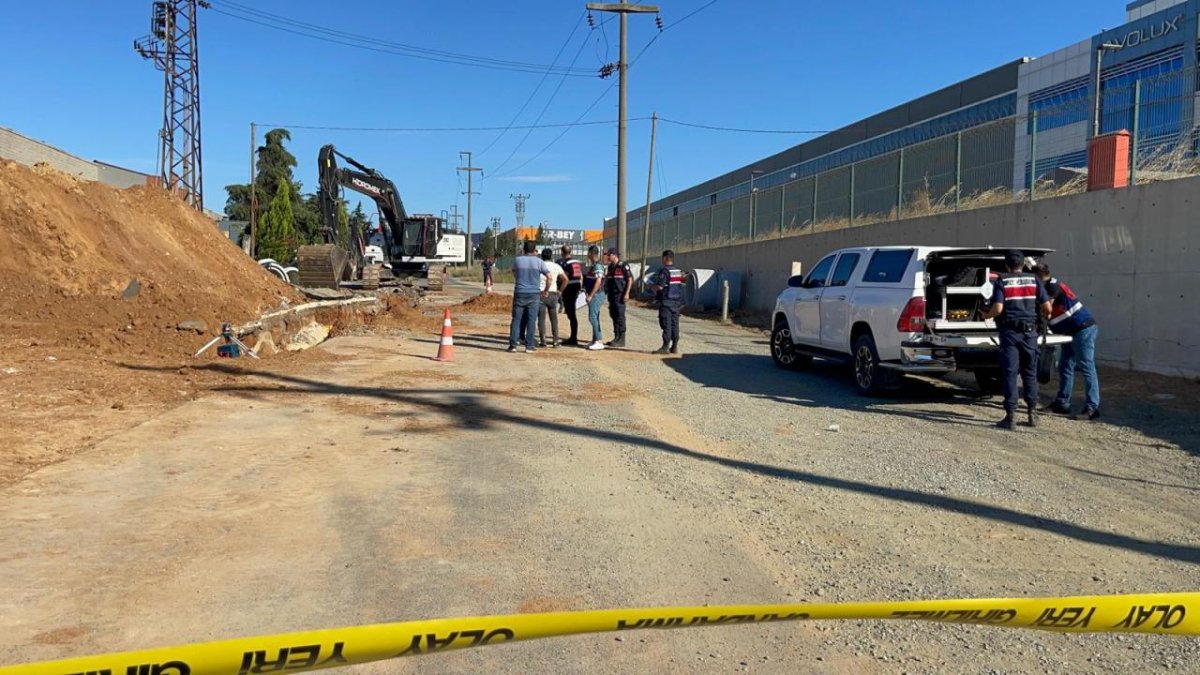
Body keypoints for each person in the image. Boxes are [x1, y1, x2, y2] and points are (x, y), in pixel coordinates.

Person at [981, 250, 1052, 430]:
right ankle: (1032, 414)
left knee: (1010, 373)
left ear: (1006, 265)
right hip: (1030, 333)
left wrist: (986, 315)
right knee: (1030, 372)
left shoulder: (1002, 280)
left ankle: (1010, 417)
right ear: (1023, 264)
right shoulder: (1034, 279)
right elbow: (1047, 307)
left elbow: (997, 308)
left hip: (1010, 333)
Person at [1035, 263, 1100, 420]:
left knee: (1086, 366)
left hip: (1082, 329)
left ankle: (1092, 407)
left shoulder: (1051, 287)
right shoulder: (1051, 285)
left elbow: (1046, 309)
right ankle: (1062, 403)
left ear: (1037, 277)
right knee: (1065, 366)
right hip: (1073, 331)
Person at [507, 241, 551, 353]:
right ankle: (529, 346)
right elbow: (549, 277)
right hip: (534, 293)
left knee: (516, 319)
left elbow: (514, 273)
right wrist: (546, 290)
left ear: (524, 249)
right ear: (534, 249)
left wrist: (520, 280)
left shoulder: (517, 260)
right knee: (532, 319)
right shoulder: (539, 262)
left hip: (520, 292)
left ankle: (513, 345)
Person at [647, 249, 685, 355]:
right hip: (676, 302)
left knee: (666, 323)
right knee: (675, 324)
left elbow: (659, 286)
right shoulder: (677, 271)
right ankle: (675, 346)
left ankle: (665, 347)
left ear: (664, 258)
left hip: (666, 301)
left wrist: (650, 285)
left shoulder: (664, 271)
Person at [537, 248, 568, 348]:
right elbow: (565, 279)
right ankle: (555, 341)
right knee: (553, 318)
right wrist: (560, 291)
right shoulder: (556, 266)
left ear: (542, 256)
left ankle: (543, 341)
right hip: (553, 293)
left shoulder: (538, 265)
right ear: (551, 256)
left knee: (541, 319)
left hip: (541, 293)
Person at [604, 248, 634, 348]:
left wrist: (627, 293)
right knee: (613, 315)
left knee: (620, 316)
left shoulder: (623, 265)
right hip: (612, 295)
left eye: (609, 255)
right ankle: (616, 337)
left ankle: (622, 339)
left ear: (615, 255)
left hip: (620, 294)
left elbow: (629, 279)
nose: (608, 257)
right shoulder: (610, 267)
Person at [558, 245, 585, 345]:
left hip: (568, 288)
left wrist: (560, 289)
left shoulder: (565, 263)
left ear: (562, 253)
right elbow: (581, 276)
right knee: (571, 313)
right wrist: (580, 288)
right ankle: (573, 337)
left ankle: (573, 338)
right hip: (576, 287)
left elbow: (564, 277)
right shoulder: (577, 262)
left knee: (571, 313)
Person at [583, 246, 608, 351]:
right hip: (594, 294)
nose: (587, 255)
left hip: (597, 294)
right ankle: (595, 340)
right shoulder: (593, 265)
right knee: (595, 317)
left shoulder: (598, 266)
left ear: (592, 254)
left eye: (588, 253)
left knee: (592, 317)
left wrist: (590, 295)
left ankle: (599, 341)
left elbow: (598, 282)